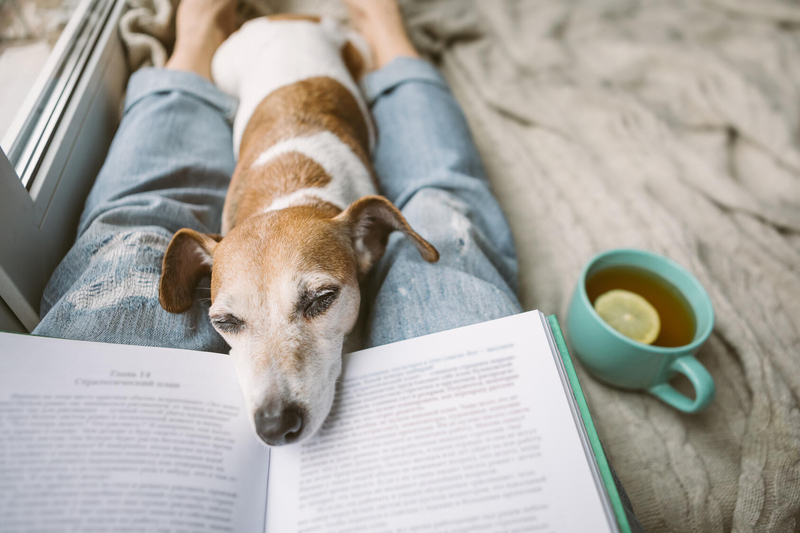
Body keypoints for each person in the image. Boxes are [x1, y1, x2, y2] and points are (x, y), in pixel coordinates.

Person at [34, 0, 521, 349]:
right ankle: (382, 36)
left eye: (318, 300)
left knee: (133, 222)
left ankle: (200, 44)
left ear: (369, 239)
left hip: (323, 54)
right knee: (445, 205)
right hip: (255, 60)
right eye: (229, 320)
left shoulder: (358, 230)